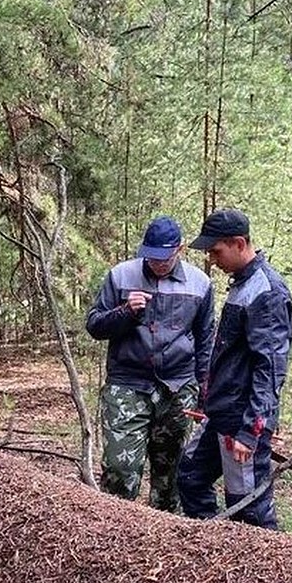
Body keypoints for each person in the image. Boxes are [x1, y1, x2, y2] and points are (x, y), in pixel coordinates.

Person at [86, 215, 215, 511]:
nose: (156, 264)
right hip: (128, 385)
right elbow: (94, 326)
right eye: (151, 257)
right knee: (120, 470)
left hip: (178, 388)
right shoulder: (120, 276)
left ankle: (165, 541)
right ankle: (115, 532)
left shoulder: (200, 284)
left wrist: (204, 395)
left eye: (164, 258)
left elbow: (205, 341)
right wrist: (125, 312)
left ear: (179, 249)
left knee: (170, 477)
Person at [178, 208, 292, 529]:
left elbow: (269, 369)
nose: (212, 260)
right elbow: (229, 353)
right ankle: (217, 547)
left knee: (248, 507)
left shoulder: (267, 292)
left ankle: (268, 571)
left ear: (239, 243)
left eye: (216, 251)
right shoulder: (242, 284)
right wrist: (207, 401)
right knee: (190, 476)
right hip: (221, 412)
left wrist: (251, 430)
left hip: (243, 420)